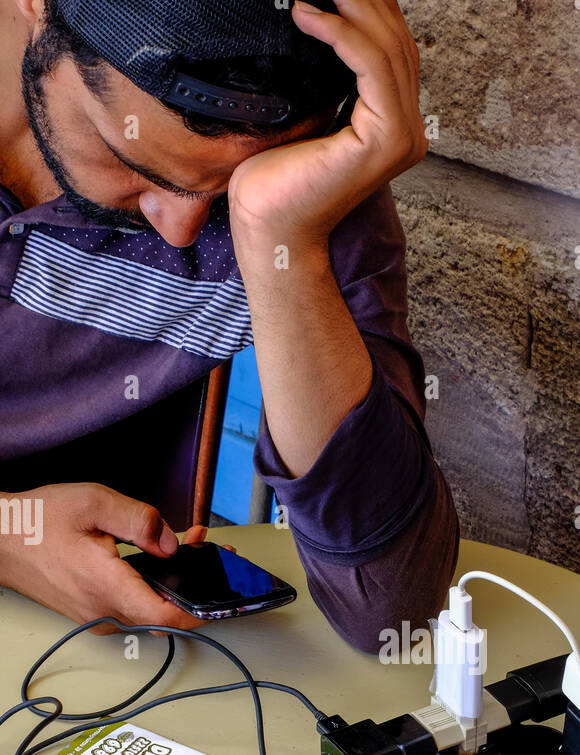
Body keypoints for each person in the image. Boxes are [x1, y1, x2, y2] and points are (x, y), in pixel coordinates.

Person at [0, 0, 458, 649]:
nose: (180, 227)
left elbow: (391, 612)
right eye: (128, 157)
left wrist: (282, 239)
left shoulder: (310, 186)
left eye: (221, 189)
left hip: (92, 670)